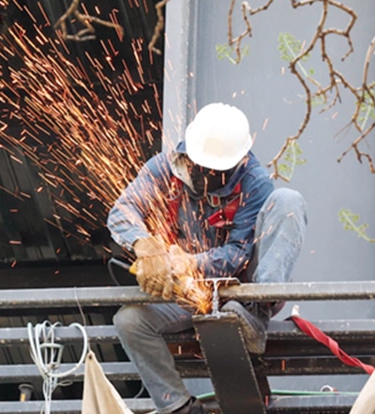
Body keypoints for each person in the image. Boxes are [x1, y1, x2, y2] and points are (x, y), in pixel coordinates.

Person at [109, 103, 306, 414]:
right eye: (201, 166)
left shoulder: (254, 182)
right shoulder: (165, 168)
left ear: (238, 161)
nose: (207, 175)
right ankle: (178, 408)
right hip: (188, 292)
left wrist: (188, 262)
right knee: (129, 320)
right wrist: (145, 245)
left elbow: (238, 254)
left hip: (240, 294)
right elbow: (122, 211)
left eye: (217, 171)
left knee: (287, 201)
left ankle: (257, 318)